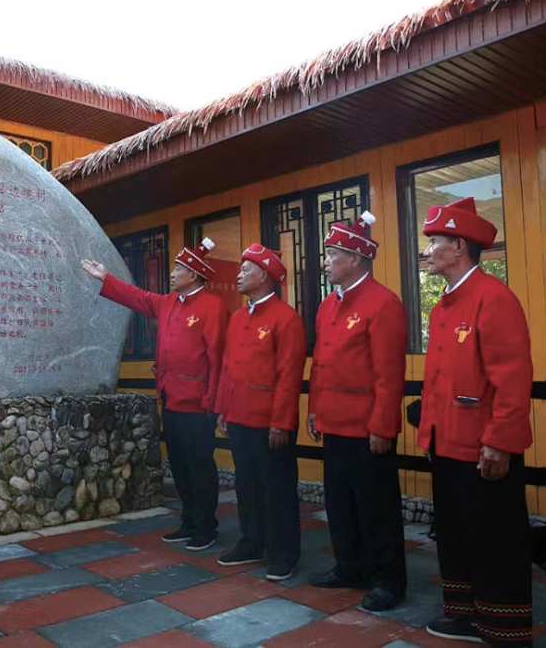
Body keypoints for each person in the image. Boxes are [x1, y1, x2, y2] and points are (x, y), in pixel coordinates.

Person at [418, 197, 533, 646]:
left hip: (483, 447)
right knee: (456, 534)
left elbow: (512, 379)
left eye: (435, 241)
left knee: (496, 539)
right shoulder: (444, 305)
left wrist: (500, 442)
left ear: (460, 247)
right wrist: (427, 432)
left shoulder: (494, 298)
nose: (427, 251)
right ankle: (464, 615)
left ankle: (505, 626)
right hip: (446, 444)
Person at [81, 239, 228, 551]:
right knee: (180, 465)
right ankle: (188, 522)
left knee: (200, 465)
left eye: (178, 268)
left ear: (194, 274)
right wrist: (106, 277)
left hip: (198, 402)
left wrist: (215, 404)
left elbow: (217, 359)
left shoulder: (212, 306)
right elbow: (138, 298)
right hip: (172, 398)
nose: (172, 274)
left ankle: (206, 526)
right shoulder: (168, 303)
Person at [306, 211, 408, 612]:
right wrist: (315, 410)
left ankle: (388, 580)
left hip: (368, 427)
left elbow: (389, 374)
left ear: (356, 258)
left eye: (332, 253)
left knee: (376, 507)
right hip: (334, 422)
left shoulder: (384, 304)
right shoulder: (329, 304)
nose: (326, 260)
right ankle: (350, 566)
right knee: (340, 502)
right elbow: (320, 364)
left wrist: (383, 426)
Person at [214, 244, 305, 580]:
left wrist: (281, 421)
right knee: (246, 484)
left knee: (277, 488)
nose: (238, 275)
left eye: (245, 269)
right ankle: (252, 542)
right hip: (239, 417)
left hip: (270, 422)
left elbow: (288, 375)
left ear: (263, 276)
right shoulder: (238, 318)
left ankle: (283, 553)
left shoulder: (286, 318)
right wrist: (224, 407)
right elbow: (227, 366)